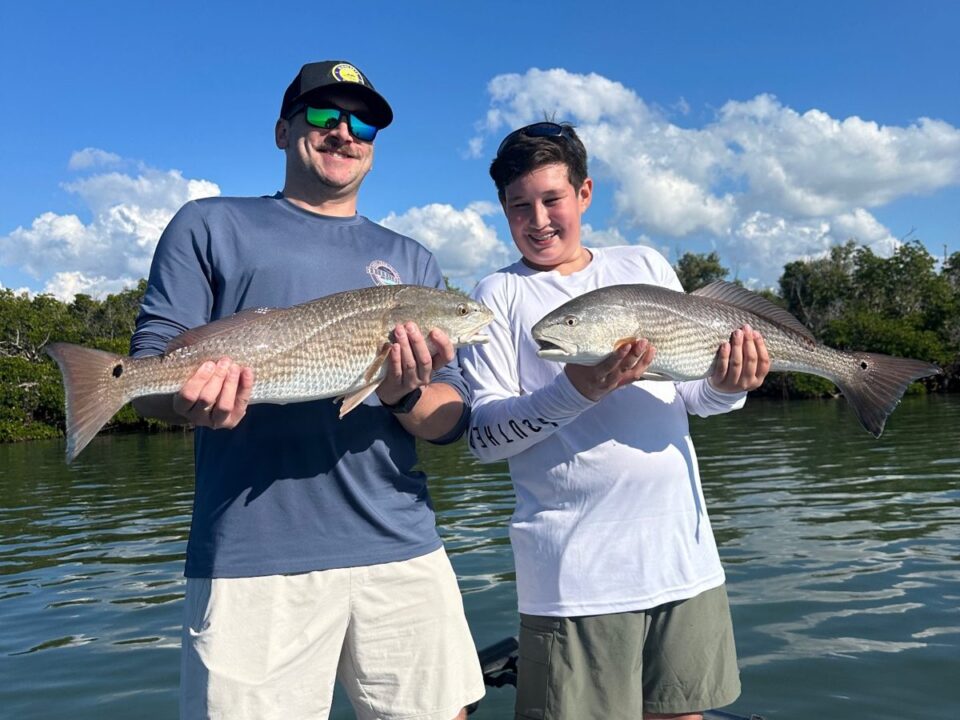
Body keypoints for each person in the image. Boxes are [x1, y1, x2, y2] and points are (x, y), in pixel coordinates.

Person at [130, 60, 484, 720]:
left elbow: (452, 414)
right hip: (251, 558)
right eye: (325, 115)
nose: (345, 132)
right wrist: (185, 400)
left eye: (365, 122)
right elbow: (148, 372)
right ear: (282, 130)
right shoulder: (208, 224)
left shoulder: (412, 261)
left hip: (401, 547)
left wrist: (403, 395)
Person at [459, 122, 771, 720]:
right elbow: (483, 439)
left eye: (552, 199)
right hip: (575, 579)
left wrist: (729, 388)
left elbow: (692, 398)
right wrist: (574, 391)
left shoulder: (645, 263)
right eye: (519, 206)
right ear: (502, 208)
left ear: (585, 193)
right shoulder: (497, 294)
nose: (539, 219)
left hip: (686, 561)